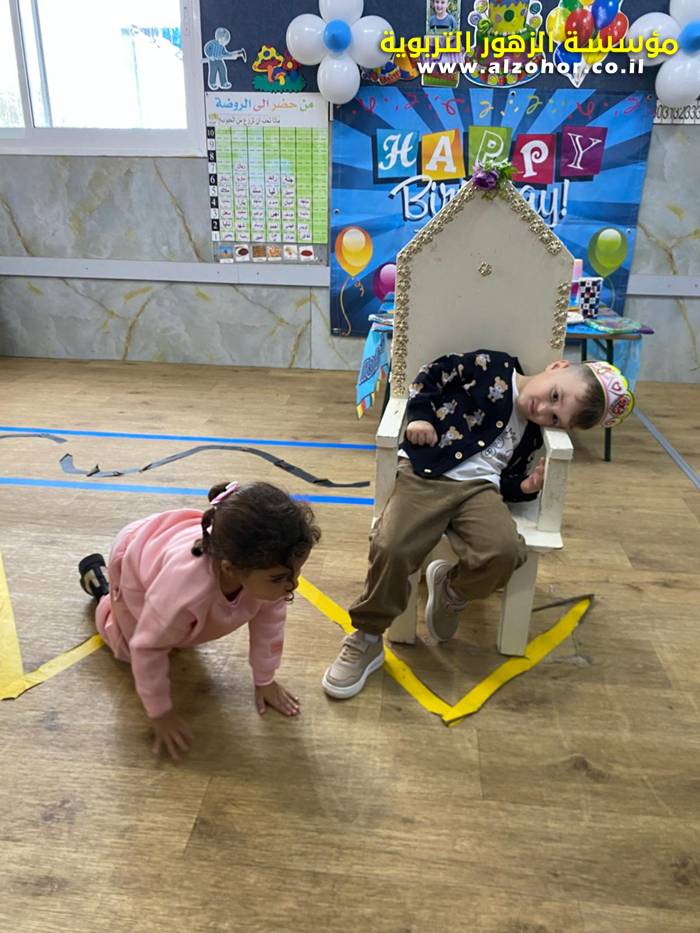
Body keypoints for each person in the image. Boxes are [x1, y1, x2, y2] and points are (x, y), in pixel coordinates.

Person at [322, 352, 634, 699]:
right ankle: (367, 637)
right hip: (426, 475)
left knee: (504, 552)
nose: (544, 410)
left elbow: (507, 479)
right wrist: (421, 416)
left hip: (480, 490)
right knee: (391, 546)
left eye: (555, 418)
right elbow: (432, 374)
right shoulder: (492, 367)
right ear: (557, 368)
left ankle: (453, 591)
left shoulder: (532, 432)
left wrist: (526, 486)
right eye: (554, 395)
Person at [79, 481, 321, 759]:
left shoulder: (269, 571)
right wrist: (160, 712)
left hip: (170, 544)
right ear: (230, 570)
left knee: (176, 630)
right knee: (127, 648)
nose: (293, 585)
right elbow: (146, 647)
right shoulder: (184, 592)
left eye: (296, 573)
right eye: (280, 578)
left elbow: (270, 626)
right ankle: (101, 586)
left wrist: (264, 679)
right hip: (134, 555)